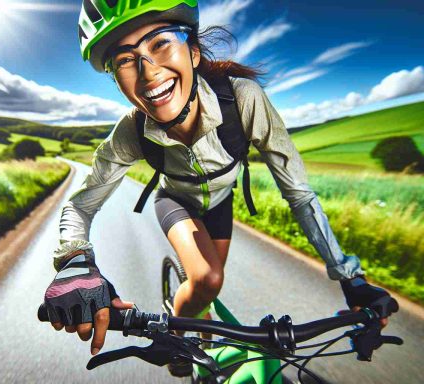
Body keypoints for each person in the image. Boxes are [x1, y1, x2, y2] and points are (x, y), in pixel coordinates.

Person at [41, 0, 397, 377]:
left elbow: (299, 193)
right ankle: (177, 335)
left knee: (209, 289)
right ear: (116, 79)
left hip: (221, 203)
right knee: (208, 279)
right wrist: (75, 262)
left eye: (160, 43)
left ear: (193, 52)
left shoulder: (242, 99)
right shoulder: (131, 131)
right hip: (175, 200)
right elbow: (81, 205)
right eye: (125, 60)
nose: (148, 73)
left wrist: (349, 277)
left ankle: (198, 315)